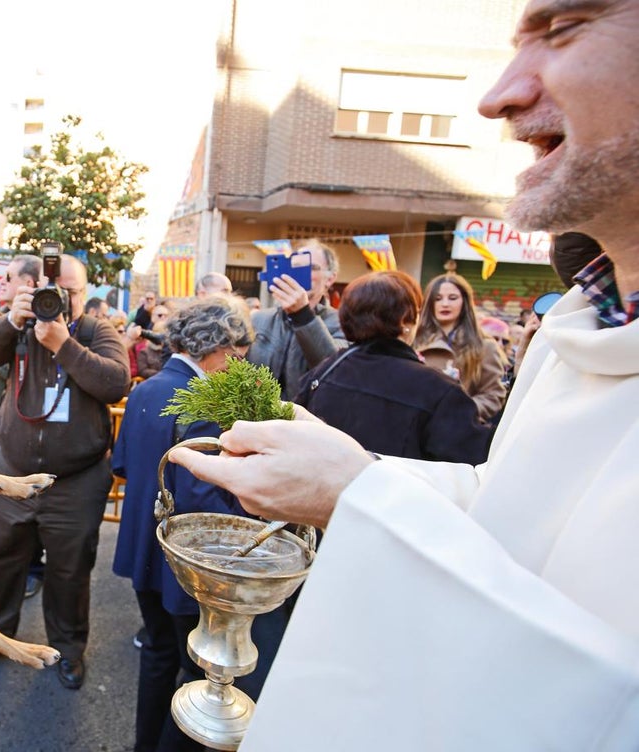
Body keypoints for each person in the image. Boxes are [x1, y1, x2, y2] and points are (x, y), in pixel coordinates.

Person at [168, 2, 639, 746]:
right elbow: (504, 501)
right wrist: (354, 472)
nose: (498, 96)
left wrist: (362, 495)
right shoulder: (581, 329)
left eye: (563, 29)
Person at [113, 297, 291, 752]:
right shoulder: (204, 400)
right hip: (188, 563)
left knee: (157, 656)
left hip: (143, 549)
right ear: (219, 346)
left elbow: (123, 464)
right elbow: (204, 501)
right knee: (197, 673)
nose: (240, 364)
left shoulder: (144, 389)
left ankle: (143, 745)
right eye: (238, 355)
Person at [0, 252, 131, 690]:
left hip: (74, 481)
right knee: (2, 564)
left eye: (71, 291)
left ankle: (68, 650)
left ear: (84, 293)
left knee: (70, 573)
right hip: (12, 476)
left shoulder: (95, 331)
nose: (62, 297)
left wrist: (63, 345)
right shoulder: (18, 329)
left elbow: (115, 383)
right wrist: (10, 321)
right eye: (55, 289)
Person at [294, 271, 492, 464]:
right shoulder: (439, 390)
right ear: (406, 318)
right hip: (398, 495)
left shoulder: (325, 370)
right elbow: (479, 461)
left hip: (325, 492)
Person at [246, 239, 346, 398]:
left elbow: (334, 370)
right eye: (297, 267)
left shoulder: (343, 323)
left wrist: (303, 316)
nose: (302, 273)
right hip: (260, 420)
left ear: (330, 278)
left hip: (308, 420)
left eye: (311, 267)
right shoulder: (258, 320)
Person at [412, 273, 507, 422]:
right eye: (438, 299)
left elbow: (493, 395)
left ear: (465, 302)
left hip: (458, 431)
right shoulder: (413, 340)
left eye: (452, 298)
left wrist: (463, 411)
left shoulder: (485, 346)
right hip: (415, 426)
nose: (445, 304)